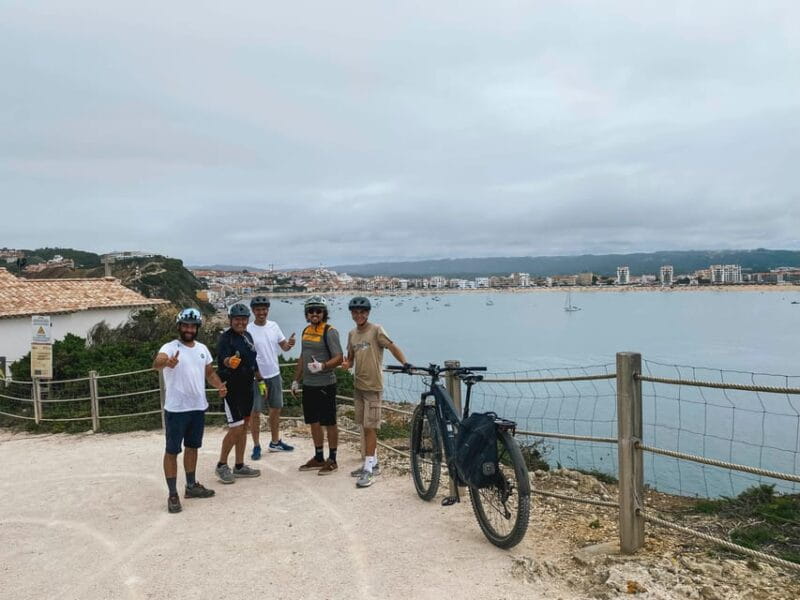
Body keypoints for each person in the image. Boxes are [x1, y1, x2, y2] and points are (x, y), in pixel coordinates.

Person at [153, 308, 227, 514]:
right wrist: (167, 362)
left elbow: (209, 373)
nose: (188, 329)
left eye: (192, 326)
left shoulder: (202, 349)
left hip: (197, 407)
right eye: (185, 325)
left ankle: (191, 486)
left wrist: (219, 386)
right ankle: (172, 494)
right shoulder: (170, 347)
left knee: (193, 447)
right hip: (176, 409)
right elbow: (156, 362)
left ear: (197, 328)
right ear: (179, 326)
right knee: (172, 451)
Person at [342, 296, 409, 488]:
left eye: (362, 312)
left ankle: (369, 470)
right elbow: (351, 359)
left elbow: (391, 346)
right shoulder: (352, 334)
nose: (359, 315)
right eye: (355, 312)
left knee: (370, 427)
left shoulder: (376, 330)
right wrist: (346, 364)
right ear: (352, 314)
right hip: (359, 386)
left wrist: (405, 363)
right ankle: (372, 462)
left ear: (368, 313)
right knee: (364, 426)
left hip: (373, 387)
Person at [291, 296, 343, 475]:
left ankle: (333, 459)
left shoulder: (329, 331)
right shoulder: (306, 330)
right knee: (313, 421)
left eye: (318, 311)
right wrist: (296, 380)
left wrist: (323, 366)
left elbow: (339, 357)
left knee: (329, 422)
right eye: (311, 311)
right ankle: (319, 457)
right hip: (309, 384)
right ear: (307, 314)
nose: (314, 314)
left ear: (324, 313)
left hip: (325, 383)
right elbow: (302, 356)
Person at [215, 303, 263, 484]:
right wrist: (230, 362)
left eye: (243, 319)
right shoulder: (225, 339)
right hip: (231, 389)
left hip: (247, 388)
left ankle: (240, 465)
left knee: (244, 427)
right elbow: (223, 358)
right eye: (237, 319)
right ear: (230, 320)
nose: (240, 322)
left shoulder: (248, 336)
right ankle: (221, 465)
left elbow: (253, 361)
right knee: (235, 428)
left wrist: (261, 380)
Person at [247, 296, 296, 459]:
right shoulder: (248, 330)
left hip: (274, 374)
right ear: (253, 311)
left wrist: (290, 344)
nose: (262, 312)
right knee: (255, 412)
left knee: (276, 409)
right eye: (258, 309)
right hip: (256, 378)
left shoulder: (274, 326)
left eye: (264, 309)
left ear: (268, 310)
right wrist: (257, 377)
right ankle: (256, 445)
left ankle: (275, 442)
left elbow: (284, 347)